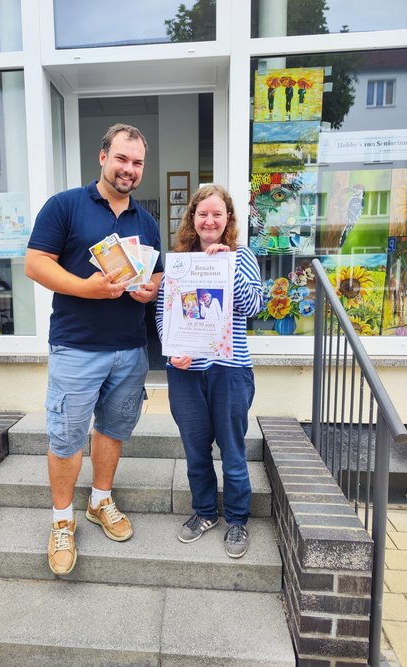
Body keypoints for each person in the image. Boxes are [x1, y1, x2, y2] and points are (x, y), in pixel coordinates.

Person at [25, 123, 163, 576]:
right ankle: (62, 520)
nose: (129, 169)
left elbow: (154, 276)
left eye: (137, 162)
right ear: (102, 157)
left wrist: (150, 290)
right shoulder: (64, 206)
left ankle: (100, 501)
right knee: (66, 436)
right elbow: (35, 264)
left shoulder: (146, 222)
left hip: (130, 347)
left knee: (114, 430)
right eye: (122, 158)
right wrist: (86, 289)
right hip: (77, 347)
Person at [155, 184, 263, 558]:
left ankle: (236, 520)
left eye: (217, 214)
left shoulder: (242, 256)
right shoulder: (180, 261)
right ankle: (204, 513)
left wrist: (225, 268)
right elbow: (163, 311)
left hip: (229, 371)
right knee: (195, 450)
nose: (209, 220)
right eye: (203, 213)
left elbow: (253, 306)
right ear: (193, 218)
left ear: (228, 219)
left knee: (232, 451)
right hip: (186, 373)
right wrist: (172, 352)